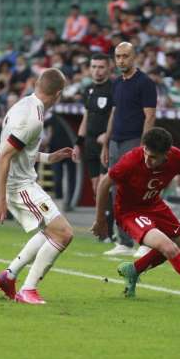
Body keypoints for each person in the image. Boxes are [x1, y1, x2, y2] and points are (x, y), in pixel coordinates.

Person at [91, 127, 180, 305]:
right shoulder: (131, 160)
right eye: (147, 155)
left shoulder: (177, 157)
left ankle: (133, 270)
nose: (148, 160)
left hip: (154, 205)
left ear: (167, 154)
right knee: (169, 247)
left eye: (154, 158)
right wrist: (101, 220)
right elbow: (105, 184)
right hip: (130, 211)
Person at [0, 68, 74, 305]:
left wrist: (49, 158)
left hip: (23, 181)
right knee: (64, 233)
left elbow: (21, 151)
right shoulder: (34, 120)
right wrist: (0, 198)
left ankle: (8, 276)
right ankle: (28, 289)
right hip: (19, 186)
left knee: (50, 230)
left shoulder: (24, 105)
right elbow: (4, 157)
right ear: (58, 94)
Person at [100, 42, 157, 256]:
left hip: (134, 141)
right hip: (116, 141)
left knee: (137, 191)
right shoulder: (116, 83)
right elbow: (114, 114)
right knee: (117, 191)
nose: (121, 60)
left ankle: (145, 241)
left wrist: (144, 148)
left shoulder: (145, 83)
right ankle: (124, 242)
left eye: (125, 56)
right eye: (118, 56)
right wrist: (106, 142)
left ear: (134, 57)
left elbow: (150, 116)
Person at [72, 53, 115, 239]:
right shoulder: (88, 90)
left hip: (105, 145)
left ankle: (111, 230)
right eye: (94, 67)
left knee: (106, 188)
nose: (97, 71)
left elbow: (117, 116)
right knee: (97, 188)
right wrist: (78, 143)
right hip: (89, 144)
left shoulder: (113, 89)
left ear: (108, 68)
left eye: (101, 67)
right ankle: (103, 228)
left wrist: (108, 135)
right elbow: (86, 117)